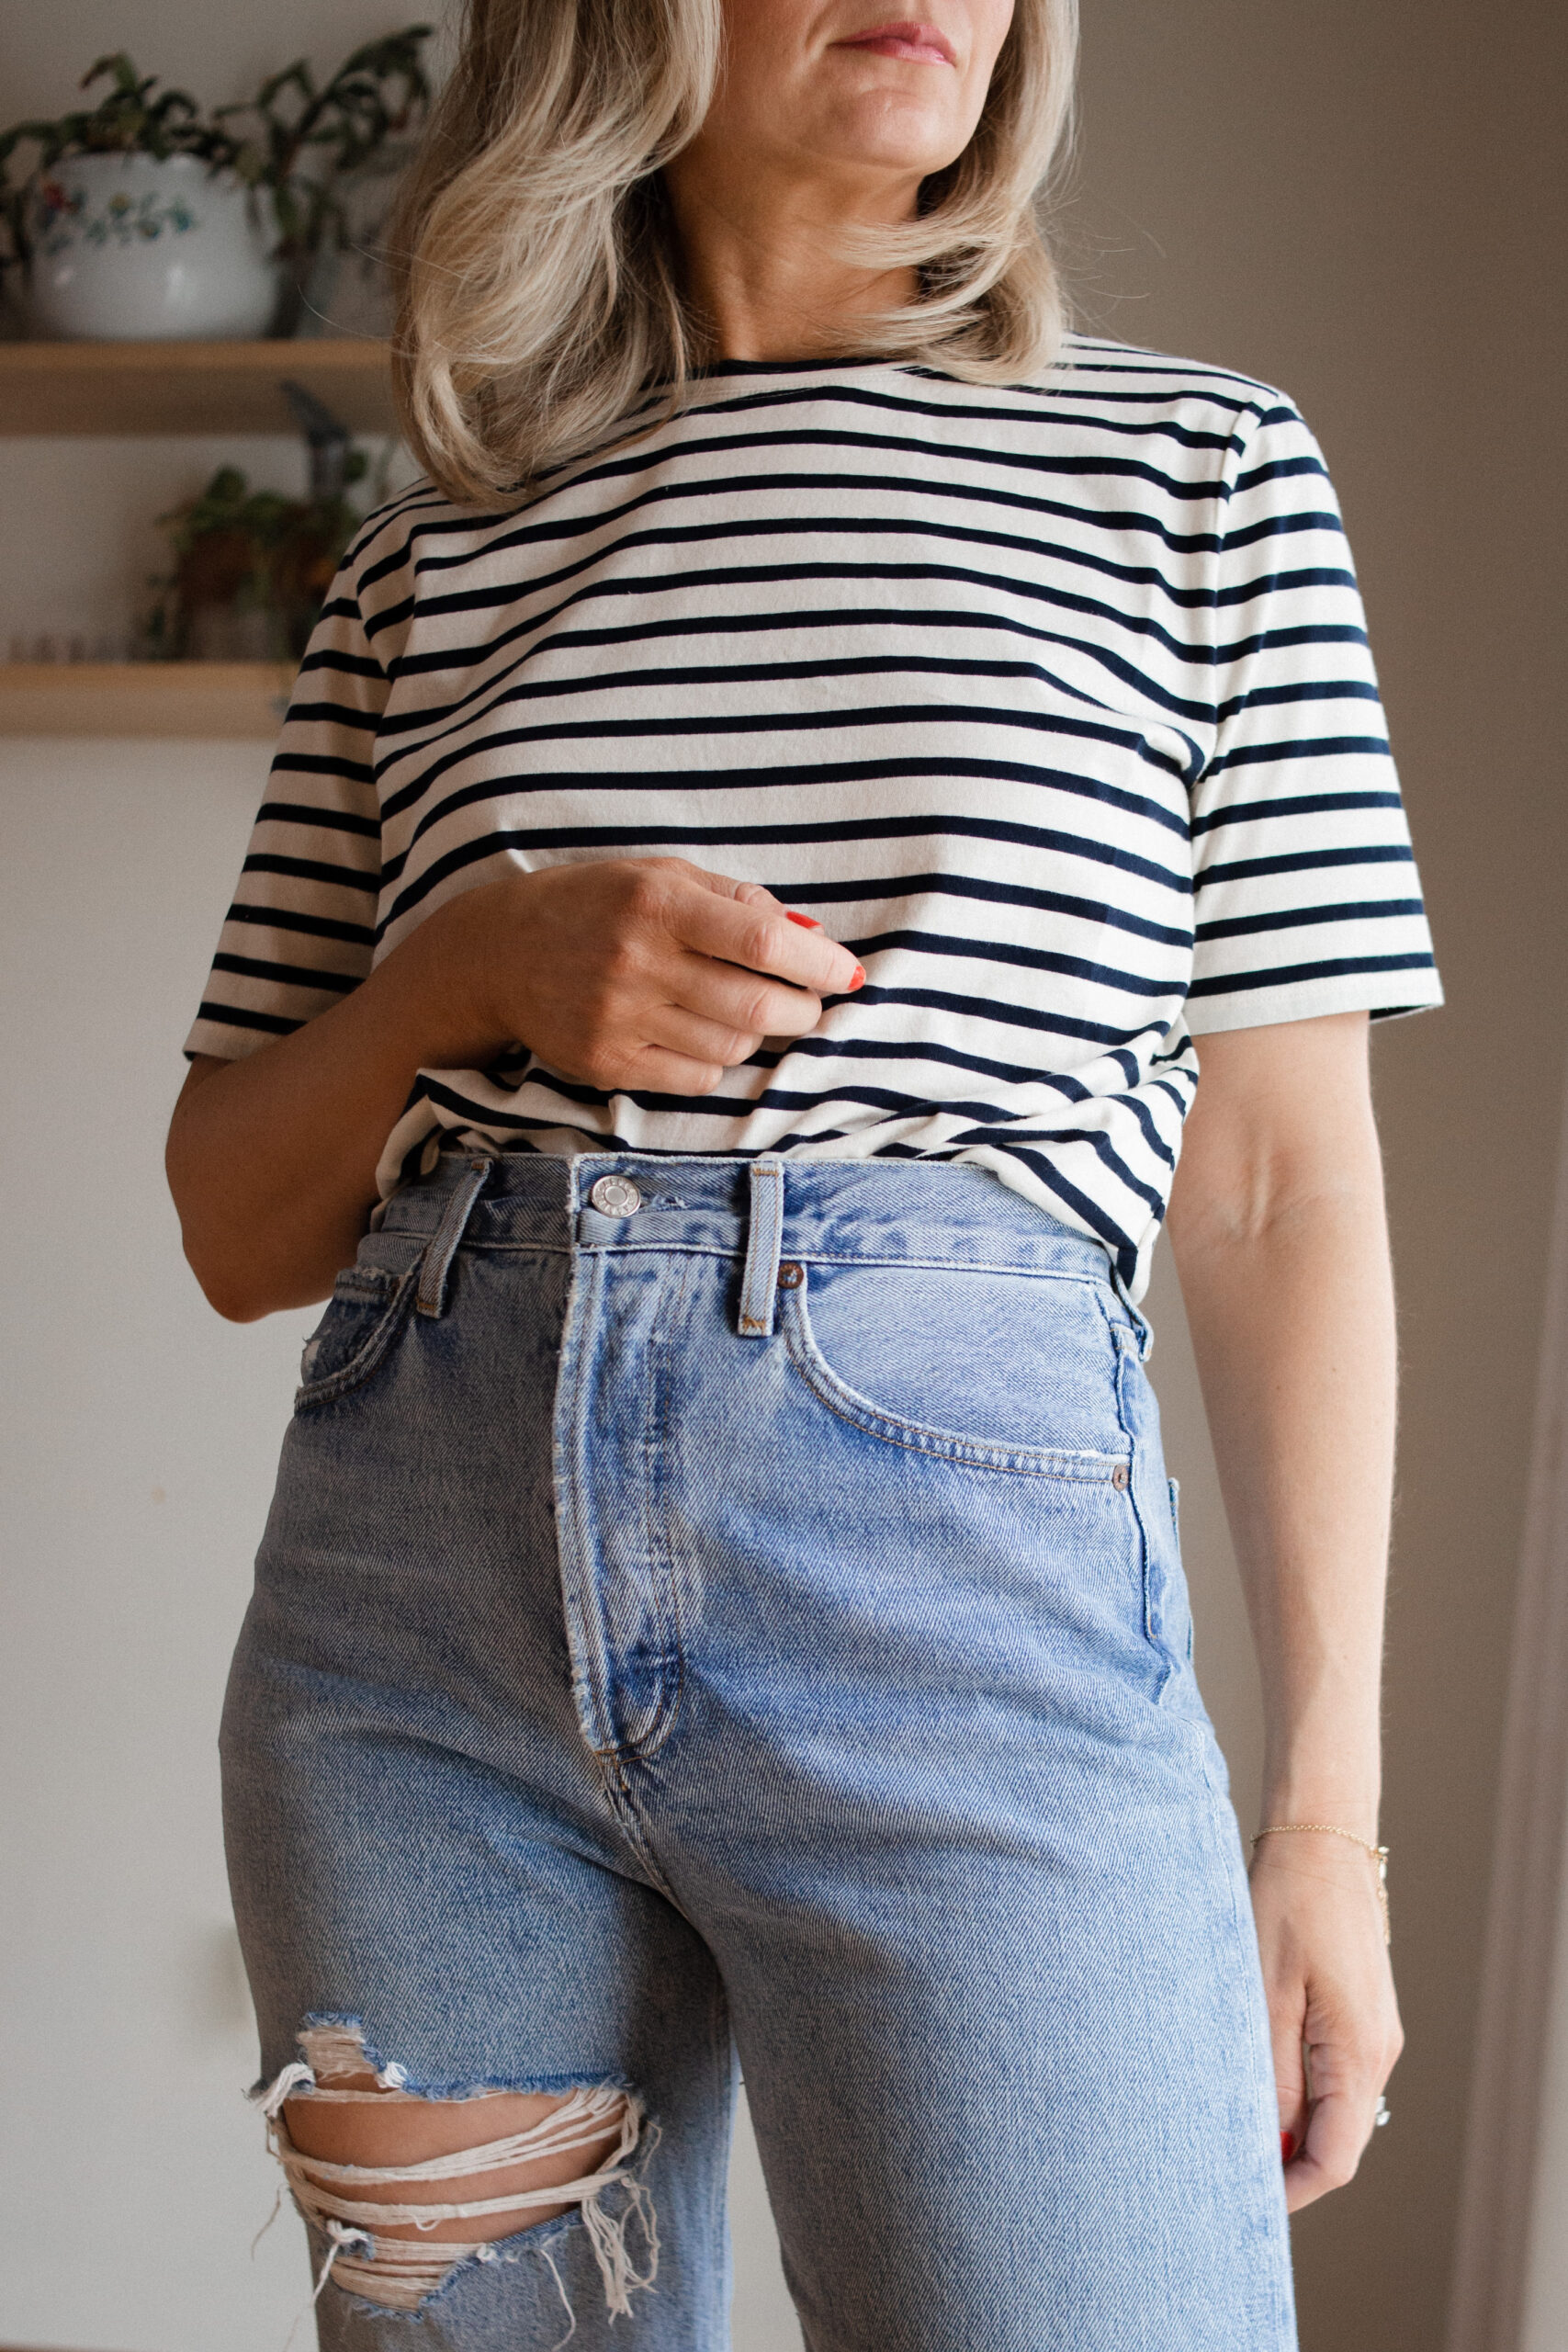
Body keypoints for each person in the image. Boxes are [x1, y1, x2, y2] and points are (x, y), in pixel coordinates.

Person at [166, 3, 1440, 2345]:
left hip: (958, 1595)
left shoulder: (1192, 469)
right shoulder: (429, 554)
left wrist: (1318, 1826)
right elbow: (234, 1214)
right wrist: (456, 970)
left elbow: (1278, 1194)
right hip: (411, 1632)